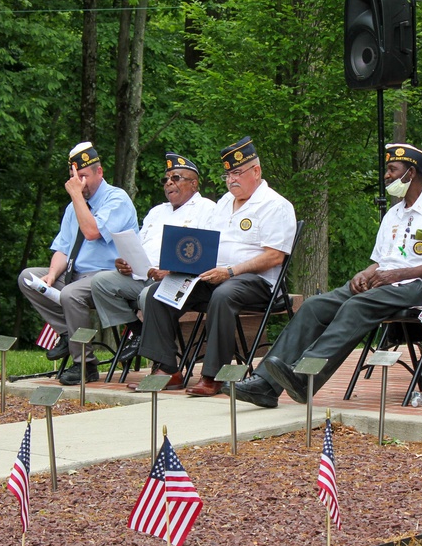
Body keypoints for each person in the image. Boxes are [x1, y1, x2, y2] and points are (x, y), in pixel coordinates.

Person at [234, 143, 422, 408]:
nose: (386, 175)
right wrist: (362, 275)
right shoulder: (393, 214)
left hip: (421, 287)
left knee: (356, 306)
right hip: (385, 283)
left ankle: (306, 377)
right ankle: (264, 384)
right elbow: (379, 262)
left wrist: (397, 274)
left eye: (391, 169)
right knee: (314, 307)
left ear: (410, 173)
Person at [136, 137, 296, 395]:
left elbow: (274, 257)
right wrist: (176, 267)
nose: (231, 179)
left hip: (257, 281)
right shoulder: (223, 203)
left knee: (223, 294)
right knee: (158, 294)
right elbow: (203, 246)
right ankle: (168, 370)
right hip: (213, 275)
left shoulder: (275, 205)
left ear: (256, 171)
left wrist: (231, 271)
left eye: (237, 173)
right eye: (228, 174)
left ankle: (213, 376)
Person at [18, 142, 138, 385]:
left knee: (71, 293)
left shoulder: (117, 199)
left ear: (99, 172)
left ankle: (85, 364)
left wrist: (75, 196)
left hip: (109, 278)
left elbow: (92, 231)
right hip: (75, 274)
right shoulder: (74, 207)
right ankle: (68, 334)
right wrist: (51, 276)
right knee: (27, 278)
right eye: (74, 177)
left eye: (83, 176)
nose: (79, 183)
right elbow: (63, 248)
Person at [89, 154, 216, 380]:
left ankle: (165, 367)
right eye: (166, 179)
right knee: (101, 283)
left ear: (194, 183)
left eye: (176, 178)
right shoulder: (157, 211)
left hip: (180, 279)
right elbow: (139, 245)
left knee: (150, 295)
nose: (169, 183)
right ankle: (138, 334)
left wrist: (171, 269)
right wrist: (124, 261)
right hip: (143, 275)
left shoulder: (208, 209)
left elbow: (206, 254)